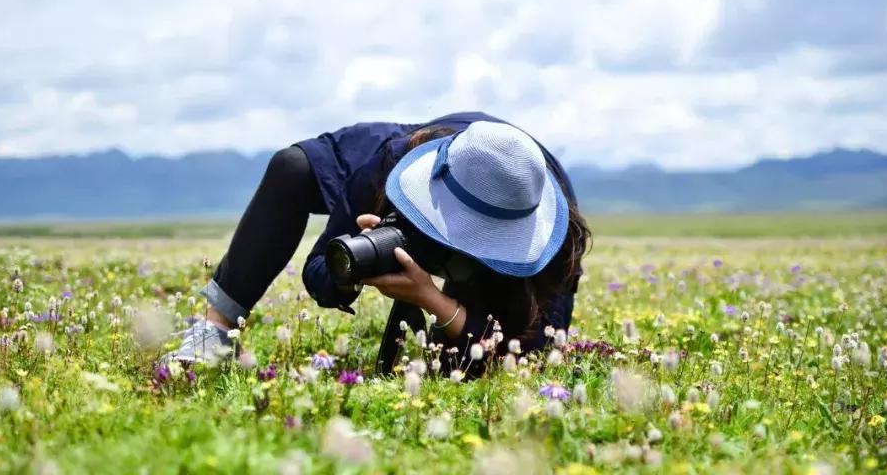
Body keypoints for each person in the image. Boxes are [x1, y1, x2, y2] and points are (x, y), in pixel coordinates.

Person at [163, 111, 591, 374]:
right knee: (291, 168)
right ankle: (212, 332)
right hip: (433, 147)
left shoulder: (552, 236)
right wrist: (359, 263)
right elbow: (319, 275)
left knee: (470, 363)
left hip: (510, 191)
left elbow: (527, 354)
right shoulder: (392, 162)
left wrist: (435, 303)